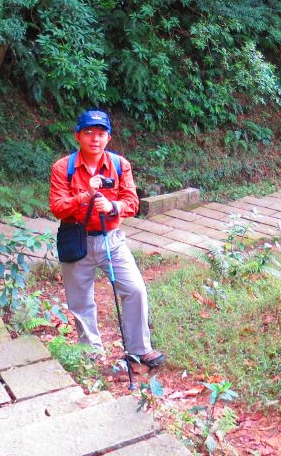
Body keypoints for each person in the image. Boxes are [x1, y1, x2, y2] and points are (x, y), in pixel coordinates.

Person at [49, 109, 165, 368]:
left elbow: (132, 202)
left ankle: (139, 349)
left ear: (108, 138)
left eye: (101, 133)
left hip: (111, 239)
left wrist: (111, 207)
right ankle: (91, 353)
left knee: (134, 289)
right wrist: (86, 195)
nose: (95, 139)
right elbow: (57, 207)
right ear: (77, 136)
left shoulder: (119, 164)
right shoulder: (63, 168)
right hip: (77, 240)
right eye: (88, 133)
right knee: (80, 301)